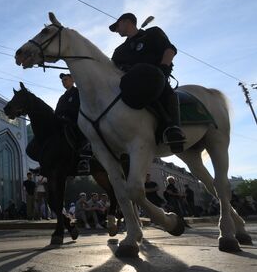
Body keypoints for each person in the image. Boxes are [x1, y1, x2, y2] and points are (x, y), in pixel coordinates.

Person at [109, 12, 186, 151]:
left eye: (117, 25)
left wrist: (162, 70)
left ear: (127, 21)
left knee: (166, 92)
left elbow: (169, 50)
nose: (116, 30)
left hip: (155, 80)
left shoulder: (152, 33)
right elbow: (111, 70)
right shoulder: (119, 51)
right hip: (130, 87)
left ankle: (174, 129)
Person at [55, 73, 91, 174]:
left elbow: (80, 107)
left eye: (65, 79)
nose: (63, 82)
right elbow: (57, 111)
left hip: (77, 121)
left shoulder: (78, 92)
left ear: (73, 80)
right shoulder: (62, 98)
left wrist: (66, 112)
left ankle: (84, 159)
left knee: (80, 134)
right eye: (62, 81)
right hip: (62, 123)